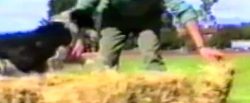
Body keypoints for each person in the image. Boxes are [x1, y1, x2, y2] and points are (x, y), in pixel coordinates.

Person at [67, 0, 224, 71]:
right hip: (114, 19)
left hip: (148, 19)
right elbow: (83, 9)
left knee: (152, 59)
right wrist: (78, 39)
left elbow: (184, 11)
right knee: (105, 63)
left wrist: (202, 47)